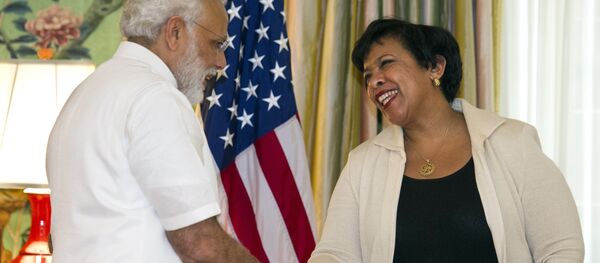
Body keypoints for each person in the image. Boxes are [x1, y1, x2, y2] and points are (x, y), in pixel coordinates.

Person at [309, 18, 584, 263]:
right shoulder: (363, 164)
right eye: (368, 76)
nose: (374, 82)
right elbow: (335, 253)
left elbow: (561, 249)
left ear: (435, 67)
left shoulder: (512, 142)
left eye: (386, 64)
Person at [45, 0, 258, 262]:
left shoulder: (84, 93)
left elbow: (60, 237)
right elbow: (198, 243)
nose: (221, 62)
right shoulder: (155, 98)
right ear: (175, 31)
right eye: (216, 44)